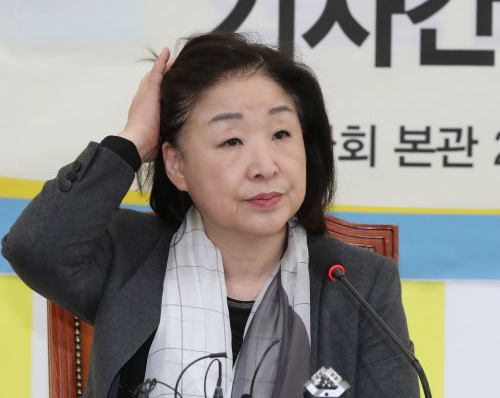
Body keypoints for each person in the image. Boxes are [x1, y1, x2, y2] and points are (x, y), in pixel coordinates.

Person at [2, 32, 419, 398]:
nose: (265, 166)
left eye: (281, 134)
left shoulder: (357, 283)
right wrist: (133, 141)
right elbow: (35, 248)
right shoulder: (126, 256)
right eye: (232, 140)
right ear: (177, 164)